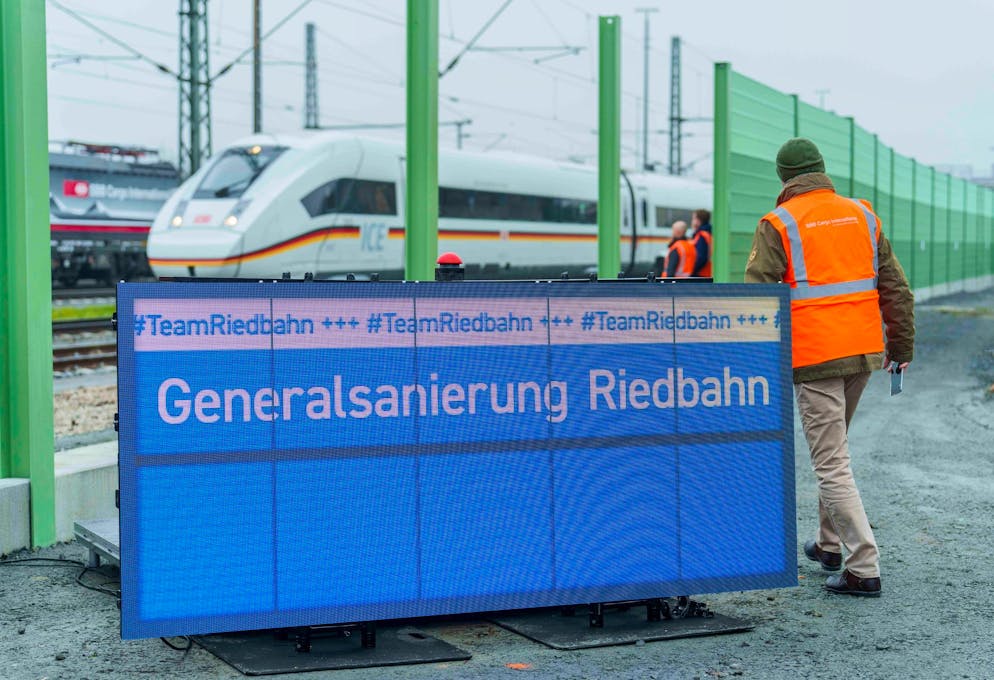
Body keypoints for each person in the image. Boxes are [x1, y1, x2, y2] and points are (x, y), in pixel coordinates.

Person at [745, 137, 915, 597]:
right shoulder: (862, 214)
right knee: (836, 449)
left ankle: (864, 566)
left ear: (783, 178)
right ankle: (828, 545)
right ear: (821, 169)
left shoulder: (778, 222)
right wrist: (900, 346)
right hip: (862, 352)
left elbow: (758, 301)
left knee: (830, 462)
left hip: (816, 355)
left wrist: (759, 367)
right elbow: (896, 288)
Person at [690, 209, 713, 277]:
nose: (692, 221)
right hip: (706, 273)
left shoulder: (702, 235)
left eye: (693, 218)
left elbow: (701, 258)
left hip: (701, 274)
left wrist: (692, 271)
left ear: (698, 220)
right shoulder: (707, 234)